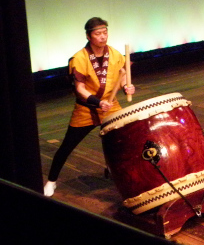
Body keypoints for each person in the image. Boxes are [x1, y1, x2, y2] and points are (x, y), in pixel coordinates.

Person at [44, 17, 135, 197]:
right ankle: (51, 181)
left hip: (111, 105)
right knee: (67, 145)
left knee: (122, 142)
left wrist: (127, 86)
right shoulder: (79, 58)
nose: (103, 37)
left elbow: (123, 75)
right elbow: (80, 89)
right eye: (98, 33)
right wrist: (98, 102)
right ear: (88, 36)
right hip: (86, 109)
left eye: (105, 32)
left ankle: (120, 174)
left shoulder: (115, 54)